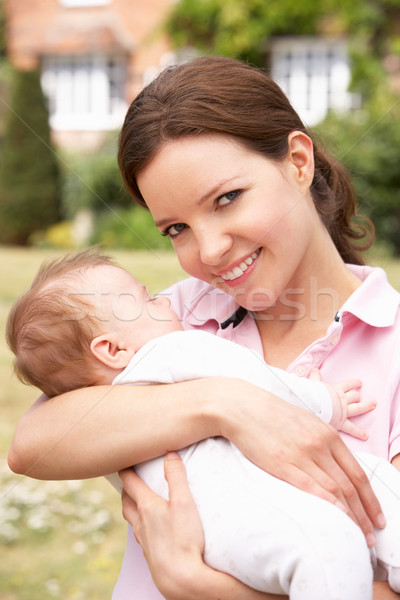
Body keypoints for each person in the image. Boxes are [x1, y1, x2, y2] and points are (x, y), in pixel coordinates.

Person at [7, 55, 400, 599]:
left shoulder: (392, 349)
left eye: (227, 198)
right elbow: (34, 444)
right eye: (176, 228)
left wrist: (199, 586)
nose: (210, 250)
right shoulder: (176, 318)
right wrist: (230, 405)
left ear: (298, 162)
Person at [6, 249, 400, 598]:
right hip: (256, 513)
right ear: (111, 349)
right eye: (149, 300)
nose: (167, 303)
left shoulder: (107, 403)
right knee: (352, 515)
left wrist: (204, 587)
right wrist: (326, 402)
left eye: (229, 197)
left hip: (224, 537)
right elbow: (255, 381)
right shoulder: (172, 345)